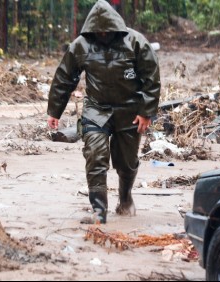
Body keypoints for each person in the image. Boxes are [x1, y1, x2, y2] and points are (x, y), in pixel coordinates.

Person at [47, 0, 160, 224]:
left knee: (126, 162)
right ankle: (99, 211)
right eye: (98, 30)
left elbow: (151, 78)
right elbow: (64, 78)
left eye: (107, 29)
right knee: (95, 156)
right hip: (96, 110)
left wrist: (146, 112)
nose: (103, 33)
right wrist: (54, 111)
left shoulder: (135, 42)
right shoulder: (81, 45)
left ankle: (125, 199)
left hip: (129, 110)